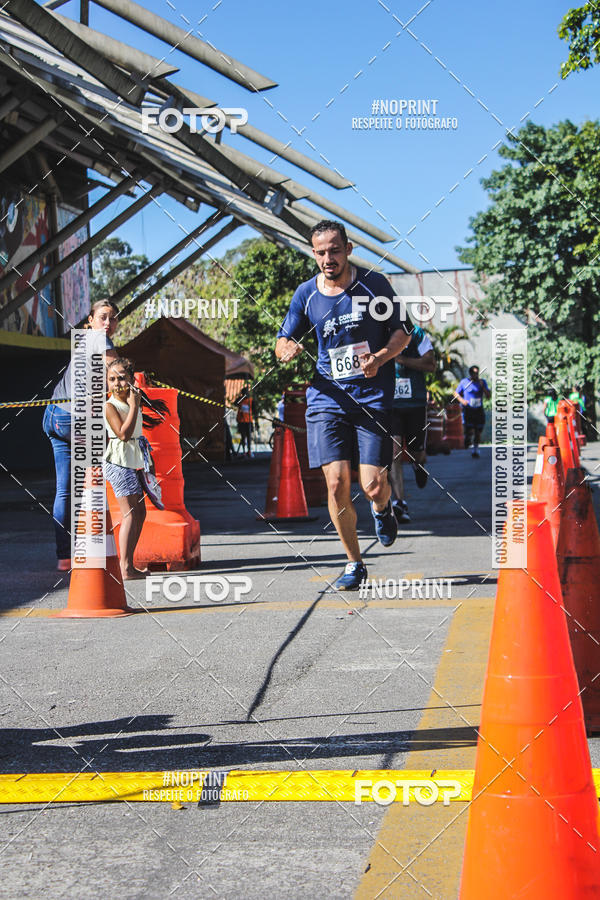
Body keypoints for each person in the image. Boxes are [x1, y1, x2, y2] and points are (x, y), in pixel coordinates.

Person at [275, 219, 412, 591]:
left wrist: (381, 358)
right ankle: (354, 562)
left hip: (371, 396)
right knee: (335, 483)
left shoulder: (374, 285)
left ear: (348, 249)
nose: (327, 258)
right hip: (326, 398)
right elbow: (283, 337)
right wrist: (287, 349)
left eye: (335, 250)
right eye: (320, 252)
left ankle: (382, 508)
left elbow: (403, 332)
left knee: (371, 484)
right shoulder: (306, 294)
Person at [42, 299, 119, 570]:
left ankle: (65, 556)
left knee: (65, 490)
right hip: (72, 420)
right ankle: (92, 548)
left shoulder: (86, 340)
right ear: (90, 320)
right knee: (93, 482)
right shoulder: (100, 341)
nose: (108, 323)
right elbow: (120, 372)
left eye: (113, 318)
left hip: (53, 416)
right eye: (103, 317)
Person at [103, 358, 166, 581]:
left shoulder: (132, 401)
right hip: (118, 462)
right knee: (130, 513)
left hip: (133, 461)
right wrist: (134, 405)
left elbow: (138, 435)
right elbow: (123, 434)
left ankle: (129, 562)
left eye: (121, 377)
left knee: (141, 512)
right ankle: (125, 567)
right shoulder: (110, 406)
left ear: (131, 379)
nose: (117, 383)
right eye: (112, 379)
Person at [389, 325, 436, 523]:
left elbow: (430, 364)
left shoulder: (415, 333)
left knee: (417, 452)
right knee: (394, 452)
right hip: (389, 404)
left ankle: (419, 464)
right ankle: (399, 502)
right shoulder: (376, 330)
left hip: (415, 402)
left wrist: (401, 360)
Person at [454, 365, 491, 458]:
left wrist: (483, 388)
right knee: (469, 430)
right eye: (474, 373)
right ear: (470, 373)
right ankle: (467, 438)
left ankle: (475, 450)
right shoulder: (464, 382)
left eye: (477, 373)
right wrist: (462, 401)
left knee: (478, 431)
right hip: (468, 410)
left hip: (478, 409)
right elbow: (455, 393)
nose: (476, 375)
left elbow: (488, 396)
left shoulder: (482, 382)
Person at [236, 387, 253, 457]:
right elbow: (235, 403)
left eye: (246, 393)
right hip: (241, 421)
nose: (245, 394)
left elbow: (254, 410)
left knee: (249, 437)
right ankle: (243, 451)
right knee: (243, 437)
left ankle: (249, 451)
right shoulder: (240, 400)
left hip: (249, 421)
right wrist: (240, 398)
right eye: (243, 393)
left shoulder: (251, 400)